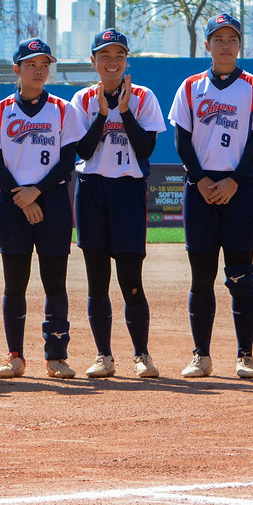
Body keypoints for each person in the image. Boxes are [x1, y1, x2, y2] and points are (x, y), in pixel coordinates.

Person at [166, 13, 253, 379]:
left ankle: (245, 355)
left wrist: (234, 179)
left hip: (239, 190)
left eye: (232, 38)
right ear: (207, 45)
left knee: (241, 274)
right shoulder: (189, 87)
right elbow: (182, 140)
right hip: (199, 190)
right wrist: (200, 180)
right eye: (219, 38)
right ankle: (202, 355)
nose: (226, 45)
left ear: (239, 45)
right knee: (202, 277)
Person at [0, 37, 85, 379]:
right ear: (17, 70)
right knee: (15, 284)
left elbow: (68, 159)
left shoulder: (62, 109)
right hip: (12, 204)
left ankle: (56, 357)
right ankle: (15, 357)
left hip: (52, 200)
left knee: (54, 283)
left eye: (44, 65)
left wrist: (35, 193)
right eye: (31, 64)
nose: (39, 70)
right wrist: (20, 195)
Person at [69, 29, 165, 380]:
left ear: (126, 60)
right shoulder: (80, 99)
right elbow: (82, 150)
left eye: (118, 55)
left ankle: (141, 354)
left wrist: (123, 112)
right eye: (104, 55)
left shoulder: (143, 96)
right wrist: (102, 113)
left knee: (130, 279)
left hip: (127, 190)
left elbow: (145, 149)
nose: (112, 61)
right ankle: (104, 356)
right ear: (93, 61)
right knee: (97, 280)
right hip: (92, 189)